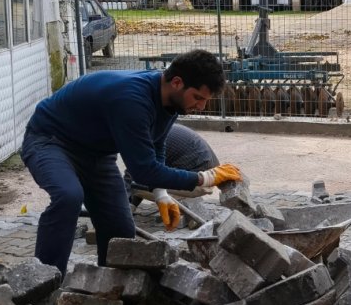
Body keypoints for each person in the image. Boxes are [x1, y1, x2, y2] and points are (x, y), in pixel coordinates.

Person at [22, 50, 243, 274]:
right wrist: (206, 178)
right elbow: (143, 171)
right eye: (198, 98)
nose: (201, 107)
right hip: (50, 140)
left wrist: (160, 193)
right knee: (68, 196)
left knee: (119, 230)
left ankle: (109, 292)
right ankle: (45, 281)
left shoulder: (170, 100)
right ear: (177, 82)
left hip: (96, 155)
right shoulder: (132, 100)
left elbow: (157, 143)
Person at [123, 123, 219, 203]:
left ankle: (179, 201)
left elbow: (133, 176)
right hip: (210, 176)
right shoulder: (159, 129)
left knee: (133, 183)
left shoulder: (143, 140)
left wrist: (124, 206)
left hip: (200, 182)